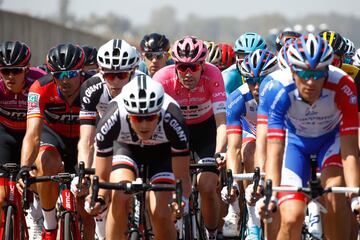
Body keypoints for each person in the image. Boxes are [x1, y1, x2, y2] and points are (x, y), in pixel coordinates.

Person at [259, 33, 360, 239]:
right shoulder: (278, 88)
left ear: (328, 70)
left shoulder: (343, 85)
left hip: (330, 143)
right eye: (304, 74)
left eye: (318, 73)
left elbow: (350, 150)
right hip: (295, 146)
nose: (311, 82)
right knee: (291, 216)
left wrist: (355, 197)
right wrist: (271, 195)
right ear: (292, 70)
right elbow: (275, 149)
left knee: (335, 198)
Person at [85, 74, 191, 240]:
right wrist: (98, 198)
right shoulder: (112, 117)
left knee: (160, 211)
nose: (144, 124)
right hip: (127, 148)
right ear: (127, 114)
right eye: (137, 118)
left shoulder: (173, 117)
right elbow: (102, 177)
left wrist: (180, 201)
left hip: (162, 153)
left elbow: (182, 177)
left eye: (150, 117)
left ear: (159, 114)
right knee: (119, 194)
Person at [153, 36, 227, 239]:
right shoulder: (161, 78)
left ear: (203, 65)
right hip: (173, 131)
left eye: (193, 67)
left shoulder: (213, 74)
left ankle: (212, 234)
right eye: (182, 67)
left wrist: (220, 151)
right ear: (174, 65)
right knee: (168, 185)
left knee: (207, 186)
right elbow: (154, 124)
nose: (187, 73)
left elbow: (221, 123)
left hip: (205, 130)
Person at [17, 43, 86, 240]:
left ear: (82, 72)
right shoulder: (39, 88)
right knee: (44, 162)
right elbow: (32, 134)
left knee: (86, 209)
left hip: (82, 141)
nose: (66, 81)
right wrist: (24, 167)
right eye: (59, 75)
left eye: (71, 74)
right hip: (53, 138)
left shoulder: (92, 86)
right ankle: (49, 225)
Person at [76, 39, 141, 239]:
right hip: (106, 137)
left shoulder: (143, 84)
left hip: (137, 138)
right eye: (109, 75)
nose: (115, 82)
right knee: (99, 188)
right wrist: (85, 171)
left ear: (132, 71)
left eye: (121, 75)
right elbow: (87, 139)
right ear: (101, 72)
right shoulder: (91, 87)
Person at [222, 49, 278, 239]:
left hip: (279, 135)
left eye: (262, 80)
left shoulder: (285, 92)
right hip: (252, 133)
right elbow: (233, 147)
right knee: (248, 151)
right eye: (251, 81)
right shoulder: (237, 98)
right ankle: (247, 217)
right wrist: (232, 184)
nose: (256, 87)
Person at [0, 41, 46, 239]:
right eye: (5, 70)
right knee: (1, 195)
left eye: (16, 71)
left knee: (36, 177)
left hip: (33, 134)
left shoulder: (39, 81)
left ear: (26, 70)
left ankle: (36, 215)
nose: (10, 76)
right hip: (5, 135)